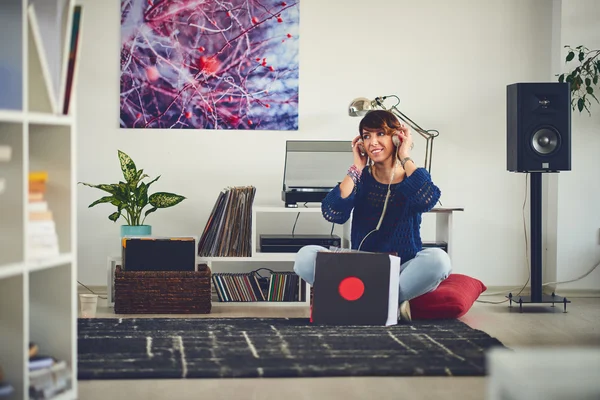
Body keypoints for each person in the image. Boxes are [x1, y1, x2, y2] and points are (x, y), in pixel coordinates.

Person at [293, 110, 452, 322]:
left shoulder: (413, 176)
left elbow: (427, 199)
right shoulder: (360, 179)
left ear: (397, 137)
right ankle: (389, 303)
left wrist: (405, 155)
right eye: (366, 136)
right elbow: (333, 212)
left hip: (401, 267)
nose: (373, 142)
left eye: (380, 134)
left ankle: (363, 302)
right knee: (305, 256)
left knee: (439, 260)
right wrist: (357, 168)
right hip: (360, 268)